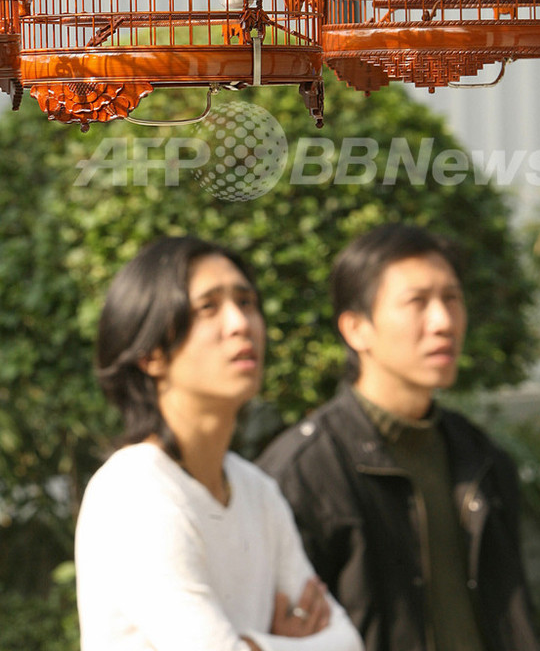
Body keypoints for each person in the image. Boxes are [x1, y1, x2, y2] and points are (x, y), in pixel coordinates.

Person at [259, 223, 540, 651]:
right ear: (357, 329)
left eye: (451, 299)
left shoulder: (481, 456)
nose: (443, 322)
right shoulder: (304, 471)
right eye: (417, 303)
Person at [74, 235, 363, 651]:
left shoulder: (257, 491)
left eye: (246, 303)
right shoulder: (134, 490)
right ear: (151, 352)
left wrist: (252, 645)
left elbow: (348, 642)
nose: (240, 323)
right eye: (208, 307)